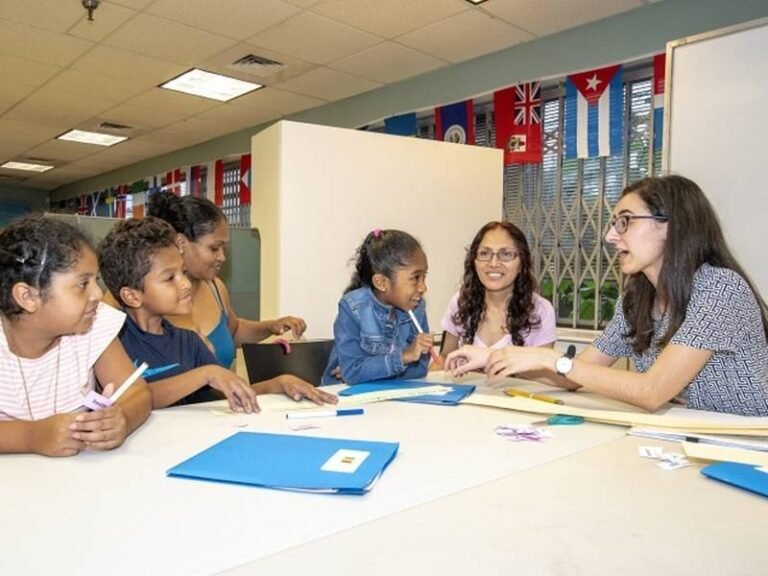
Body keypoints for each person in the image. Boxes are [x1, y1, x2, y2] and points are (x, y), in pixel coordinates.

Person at [446, 175, 768, 416]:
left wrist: (548, 358)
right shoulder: (636, 300)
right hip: (690, 441)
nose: (610, 236)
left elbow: (652, 391)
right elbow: (572, 376)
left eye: (624, 222)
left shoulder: (720, 288)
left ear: (672, 225)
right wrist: (491, 357)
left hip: (750, 447)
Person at [98, 217, 337, 411]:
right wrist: (205, 374)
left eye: (182, 272)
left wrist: (278, 384)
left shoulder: (189, 342)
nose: (185, 284)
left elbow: (226, 392)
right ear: (132, 296)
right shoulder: (113, 344)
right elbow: (132, 399)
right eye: (170, 278)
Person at [0, 215, 152, 457]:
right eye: (82, 284)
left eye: (96, 280)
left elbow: (137, 391)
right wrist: (31, 436)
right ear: (28, 297)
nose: (97, 294)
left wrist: (122, 418)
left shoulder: (94, 322)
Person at [145, 191, 307, 369]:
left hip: (221, 396)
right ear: (181, 244)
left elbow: (234, 331)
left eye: (223, 248)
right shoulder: (145, 294)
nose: (222, 257)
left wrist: (271, 327)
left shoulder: (216, 288)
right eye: (214, 248)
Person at [322, 229, 434, 385]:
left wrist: (371, 371)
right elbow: (352, 373)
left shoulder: (417, 308)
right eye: (415, 278)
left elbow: (420, 370)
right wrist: (403, 357)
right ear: (381, 283)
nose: (423, 288)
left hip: (390, 398)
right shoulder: (352, 308)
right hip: (343, 397)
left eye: (424, 277)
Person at [440, 221, 556, 361]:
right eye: (484, 253)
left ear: (522, 264)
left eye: (506, 254)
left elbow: (544, 370)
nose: (493, 263)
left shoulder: (540, 310)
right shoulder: (460, 302)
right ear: (473, 261)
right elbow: (445, 357)